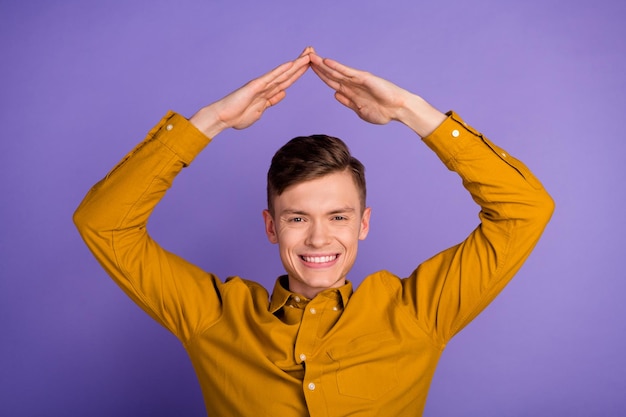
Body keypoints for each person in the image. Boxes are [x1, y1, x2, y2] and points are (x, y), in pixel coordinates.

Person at [74, 47, 554, 416]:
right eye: (297, 218)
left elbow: (525, 210)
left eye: (339, 217)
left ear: (363, 224)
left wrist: (410, 110)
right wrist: (211, 121)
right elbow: (104, 223)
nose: (319, 239)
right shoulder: (213, 317)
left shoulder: (417, 313)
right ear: (271, 226)